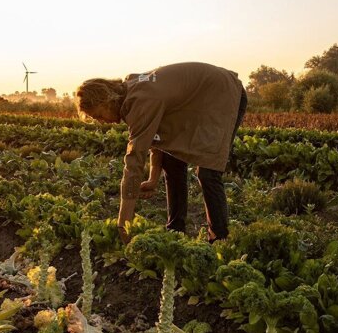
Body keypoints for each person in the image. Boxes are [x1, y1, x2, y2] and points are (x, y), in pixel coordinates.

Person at [75, 62, 248, 244]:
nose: (102, 122)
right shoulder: (131, 91)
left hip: (223, 93)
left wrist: (123, 224)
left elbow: (134, 162)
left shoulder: (141, 99)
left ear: (107, 100)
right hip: (199, 99)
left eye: (99, 115)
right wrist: (152, 179)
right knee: (172, 161)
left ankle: (219, 240)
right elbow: (155, 137)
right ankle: (175, 231)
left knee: (208, 172)